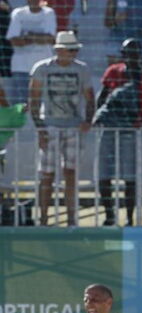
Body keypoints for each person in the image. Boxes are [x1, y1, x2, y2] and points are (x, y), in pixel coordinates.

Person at [28, 30, 94, 227]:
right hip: (50, 125)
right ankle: (44, 218)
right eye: (70, 50)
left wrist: (88, 120)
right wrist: (40, 129)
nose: (73, 53)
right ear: (59, 50)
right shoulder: (42, 69)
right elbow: (33, 99)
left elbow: (90, 97)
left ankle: (72, 219)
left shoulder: (82, 69)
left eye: (75, 50)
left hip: (73, 126)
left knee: (71, 174)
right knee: (46, 175)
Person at [95, 38, 142, 227]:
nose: (131, 58)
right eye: (127, 54)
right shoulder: (113, 72)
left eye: (135, 54)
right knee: (104, 175)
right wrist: (102, 116)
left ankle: (130, 217)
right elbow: (102, 96)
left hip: (132, 130)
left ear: (141, 55)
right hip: (110, 129)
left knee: (131, 177)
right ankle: (109, 215)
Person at [5, 0, 55, 105]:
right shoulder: (18, 13)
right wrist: (39, 37)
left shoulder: (49, 13)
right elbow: (14, 40)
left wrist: (27, 36)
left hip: (44, 68)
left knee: (44, 104)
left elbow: (50, 39)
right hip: (21, 68)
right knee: (23, 105)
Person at [104, 0, 142, 66]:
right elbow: (107, 22)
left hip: (138, 45)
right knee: (116, 73)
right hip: (117, 43)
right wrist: (116, 20)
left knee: (136, 73)